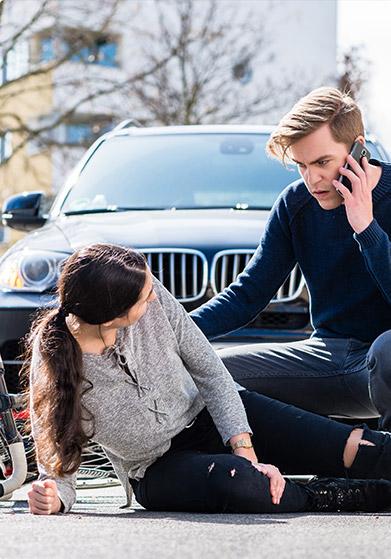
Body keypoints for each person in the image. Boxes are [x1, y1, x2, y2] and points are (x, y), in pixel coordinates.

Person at [25, 243, 391, 516]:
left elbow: (210, 370)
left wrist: (244, 448)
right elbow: (56, 459)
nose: (154, 298)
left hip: (211, 417)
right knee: (243, 483)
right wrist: (55, 497)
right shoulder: (54, 358)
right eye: (144, 297)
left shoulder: (150, 295)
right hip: (157, 468)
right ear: (111, 314)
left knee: (354, 446)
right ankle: (350, 495)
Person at [190, 87, 391, 427]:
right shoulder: (295, 204)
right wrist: (172, 334)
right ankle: (253, 474)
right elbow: (247, 294)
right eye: (301, 165)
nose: (312, 179)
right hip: (325, 358)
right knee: (208, 371)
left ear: (358, 148)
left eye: (322, 163)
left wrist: (366, 228)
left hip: (382, 361)